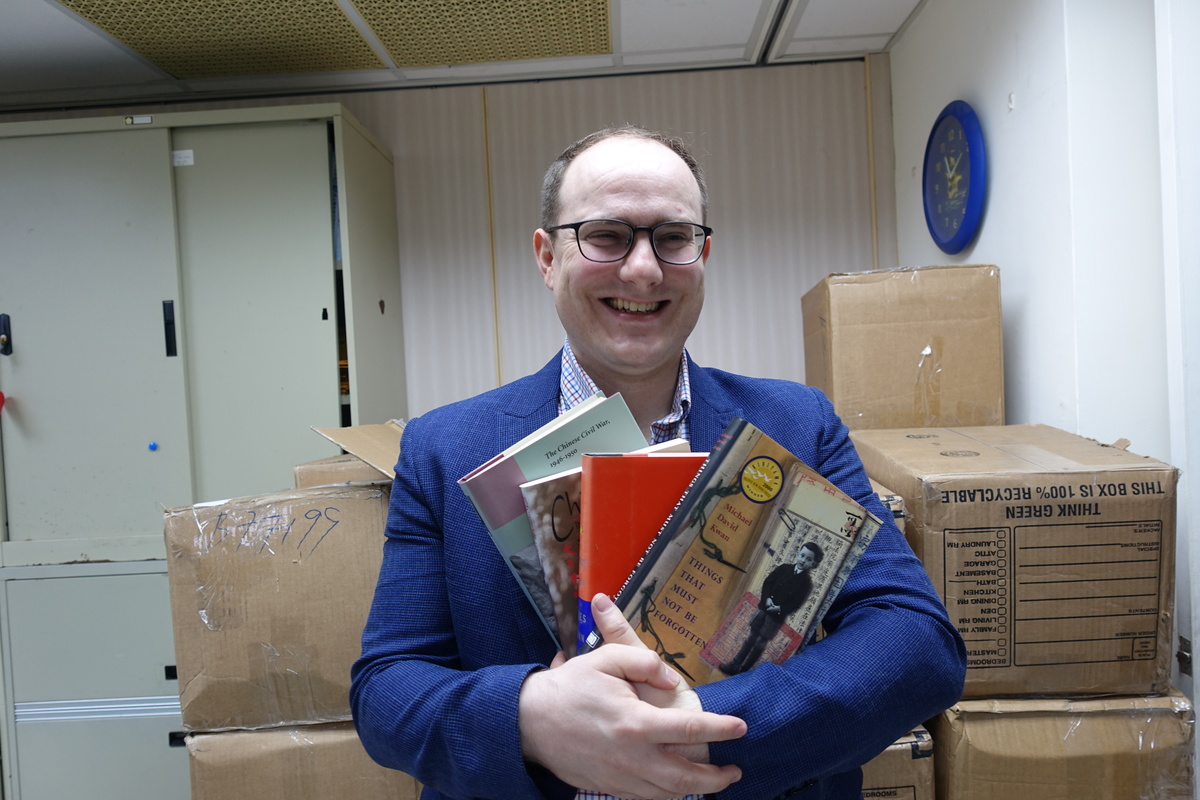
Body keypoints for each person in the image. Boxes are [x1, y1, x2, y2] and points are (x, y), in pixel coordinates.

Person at [350, 125, 967, 800]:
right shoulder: (446, 448)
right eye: (607, 235)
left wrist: (701, 726)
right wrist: (532, 715)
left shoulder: (796, 425)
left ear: (702, 253)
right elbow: (387, 688)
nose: (643, 269)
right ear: (547, 257)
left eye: (672, 237)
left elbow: (916, 644)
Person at [720, 541, 824, 676]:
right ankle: (734, 665)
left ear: (813, 564)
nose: (803, 561)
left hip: (776, 617)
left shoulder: (805, 583)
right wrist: (767, 599)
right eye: (802, 556)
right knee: (751, 637)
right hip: (764, 609)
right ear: (798, 554)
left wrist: (779, 608)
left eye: (808, 559)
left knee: (760, 643)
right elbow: (768, 582)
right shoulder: (784, 568)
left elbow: (795, 604)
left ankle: (744, 672)